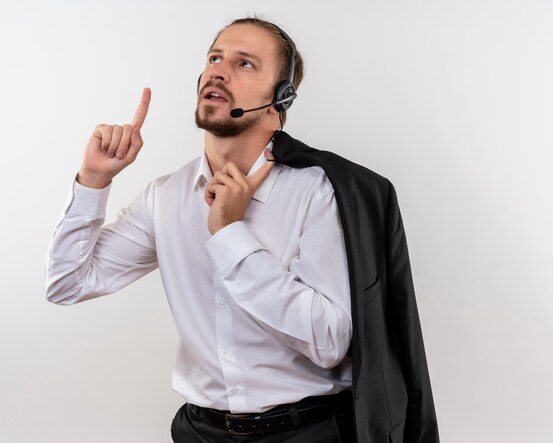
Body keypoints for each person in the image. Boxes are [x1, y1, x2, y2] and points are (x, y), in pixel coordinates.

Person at [44, 17, 439, 443]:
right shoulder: (166, 197)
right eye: (214, 58)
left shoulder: (318, 193)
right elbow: (66, 283)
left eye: (244, 64)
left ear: (279, 100)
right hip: (201, 432)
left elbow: (330, 340)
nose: (217, 70)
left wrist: (230, 233)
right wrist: (93, 180)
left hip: (309, 433)